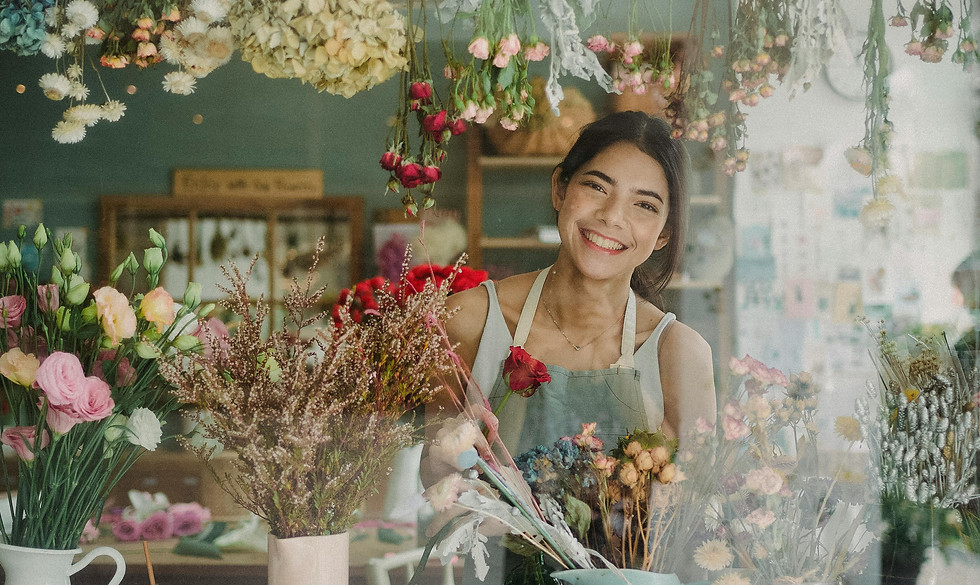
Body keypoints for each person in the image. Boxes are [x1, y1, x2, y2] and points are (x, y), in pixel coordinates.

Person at [427, 110, 717, 464]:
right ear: (560, 190)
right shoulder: (468, 320)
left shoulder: (679, 354)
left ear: (664, 234)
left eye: (644, 205)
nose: (612, 216)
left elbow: (689, 512)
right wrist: (444, 461)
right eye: (596, 187)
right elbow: (432, 484)